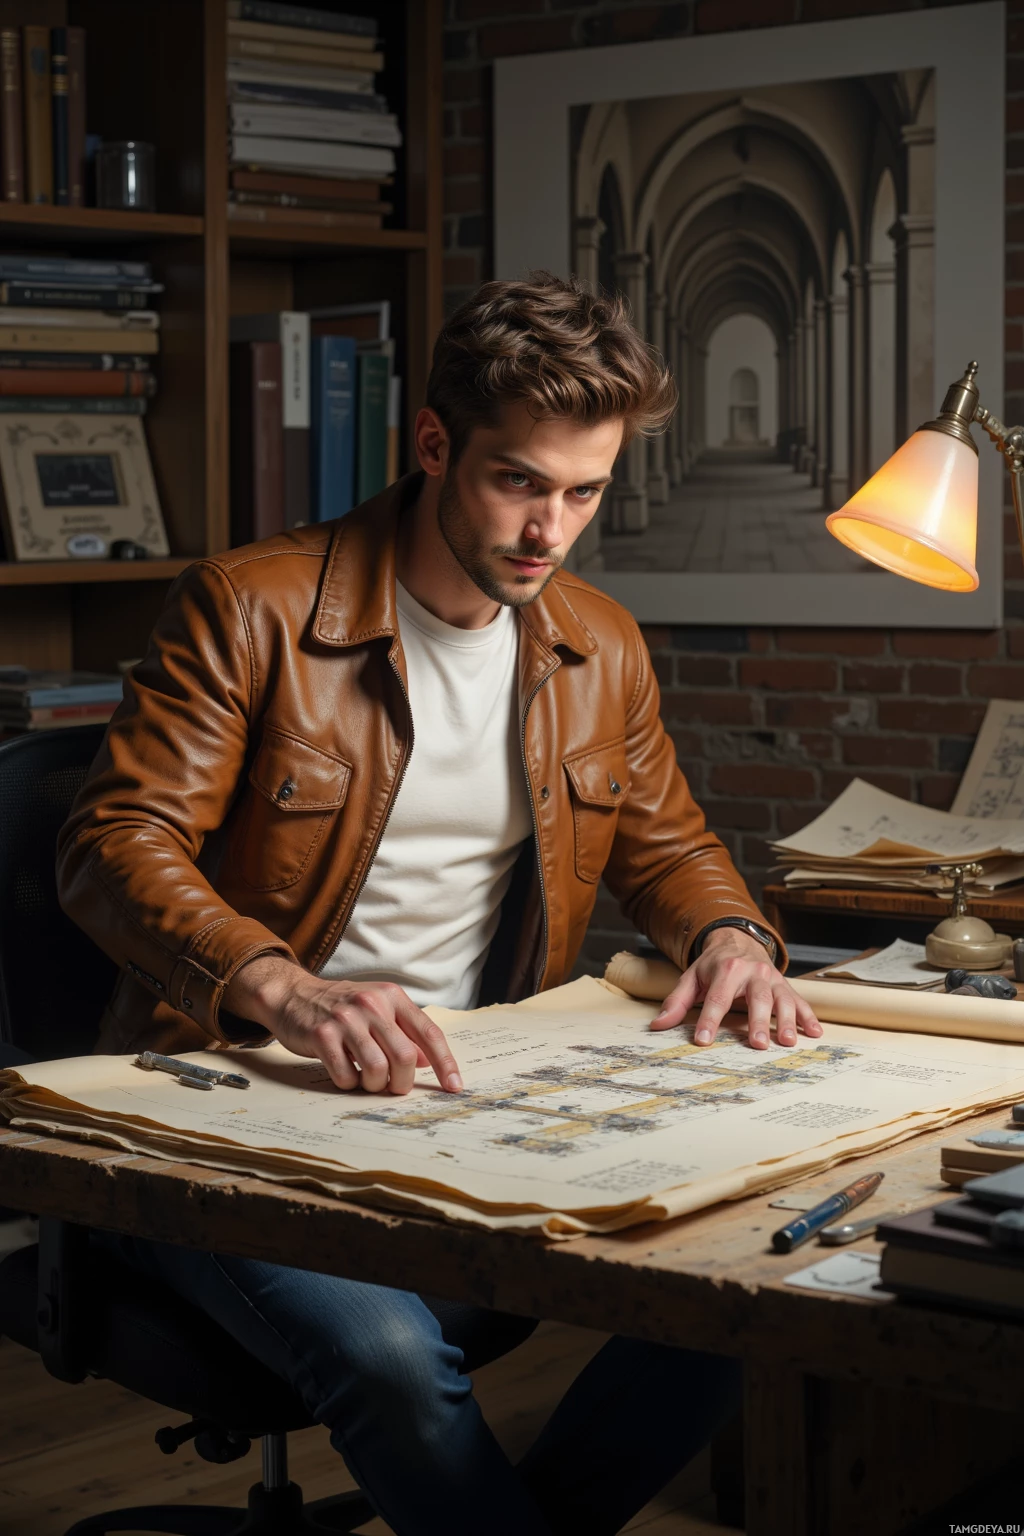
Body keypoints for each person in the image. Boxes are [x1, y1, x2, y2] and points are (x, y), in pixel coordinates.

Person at [57, 272, 821, 1536]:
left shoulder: (598, 643)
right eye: (520, 482)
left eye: (584, 492)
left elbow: (667, 843)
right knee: (395, 1360)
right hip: (230, 1105)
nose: (550, 530)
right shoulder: (251, 609)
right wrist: (282, 987)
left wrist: (732, 933)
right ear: (431, 446)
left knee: (761, 1290)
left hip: (465, 1103)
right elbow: (112, 843)